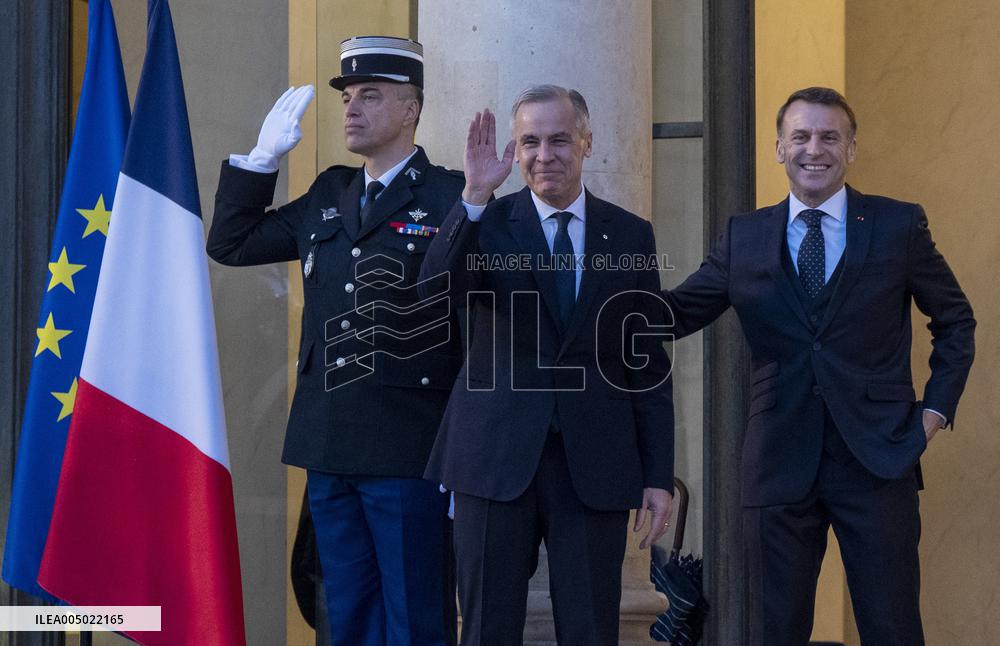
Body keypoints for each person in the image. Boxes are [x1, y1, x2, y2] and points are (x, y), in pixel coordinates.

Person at [662, 86, 976, 645]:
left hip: (879, 456)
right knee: (774, 631)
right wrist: (595, 289)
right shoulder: (745, 236)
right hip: (779, 457)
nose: (815, 148)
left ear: (851, 148)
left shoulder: (897, 226)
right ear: (779, 149)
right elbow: (676, 313)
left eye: (830, 137)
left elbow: (955, 323)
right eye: (801, 136)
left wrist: (933, 414)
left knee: (893, 628)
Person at [207, 36, 465, 646]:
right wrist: (260, 162)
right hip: (329, 438)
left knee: (414, 614)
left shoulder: (451, 195)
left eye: (370, 95)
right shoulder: (331, 192)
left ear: (411, 108)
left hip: (410, 443)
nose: (350, 108)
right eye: (348, 96)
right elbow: (232, 244)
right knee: (343, 612)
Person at [419, 85, 675, 646]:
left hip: (594, 461)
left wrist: (658, 473)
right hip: (493, 458)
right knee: (488, 628)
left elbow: (648, 362)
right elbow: (435, 291)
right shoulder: (485, 221)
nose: (544, 155)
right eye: (529, 142)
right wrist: (475, 194)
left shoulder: (629, 234)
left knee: (591, 629)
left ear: (587, 142)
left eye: (559, 140)